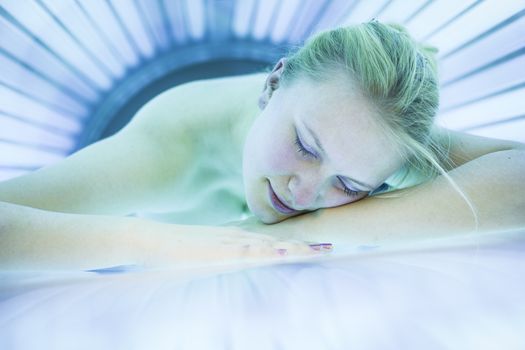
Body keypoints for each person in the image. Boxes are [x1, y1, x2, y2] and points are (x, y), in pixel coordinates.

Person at [1, 21, 524, 271]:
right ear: (273, 83)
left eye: (349, 185)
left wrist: (322, 227)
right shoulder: (173, 148)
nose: (304, 191)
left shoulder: (377, 138)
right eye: (305, 145)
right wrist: (155, 241)